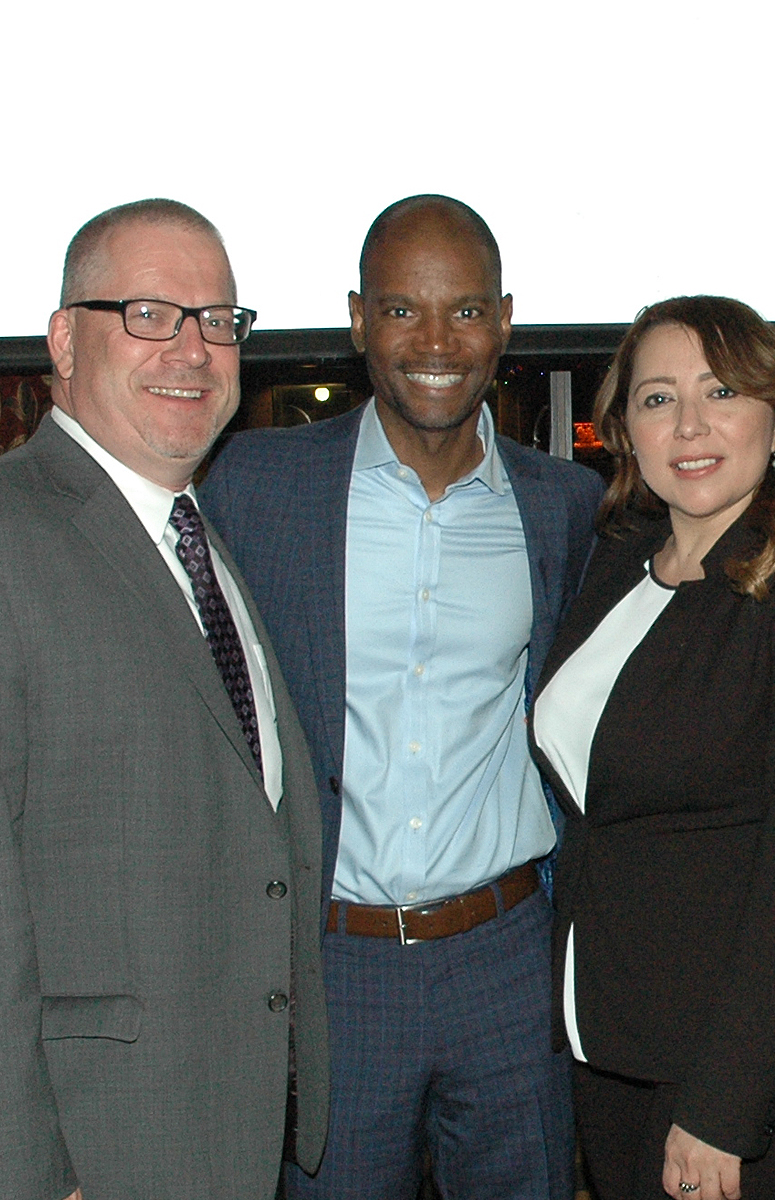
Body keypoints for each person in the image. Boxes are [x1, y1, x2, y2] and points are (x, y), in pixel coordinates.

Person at [199, 194, 601, 1199]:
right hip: (337, 968)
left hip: (509, 961)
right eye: (401, 310)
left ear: (504, 322)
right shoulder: (253, 487)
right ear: (356, 319)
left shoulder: (564, 507)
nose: (435, 340)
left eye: (464, 311)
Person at [0, 199, 329, 1199]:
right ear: (64, 339)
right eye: (150, 313)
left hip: (217, 1121)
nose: (193, 349)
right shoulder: (14, 536)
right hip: (98, 1146)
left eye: (218, 320)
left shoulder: (189, 533)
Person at [529, 295, 775, 1200]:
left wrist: (725, 1107)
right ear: (625, 432)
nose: (689, 424)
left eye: (721, 391)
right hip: (610, 1035)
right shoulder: (618, 562)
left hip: (734, 1062)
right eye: (657, 398)